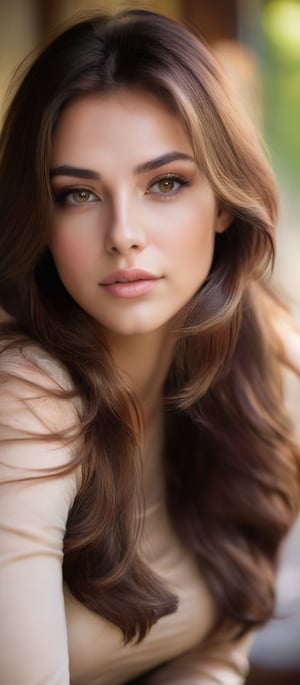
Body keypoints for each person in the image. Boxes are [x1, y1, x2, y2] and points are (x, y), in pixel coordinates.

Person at [0, 8, 299, 685]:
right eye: (78, 194)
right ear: (38, 221)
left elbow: (216, 651)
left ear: (224, 199)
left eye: (165, 182)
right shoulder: (26, 397)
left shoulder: (265, 365)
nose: (124, 233)